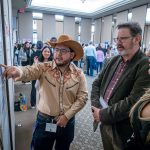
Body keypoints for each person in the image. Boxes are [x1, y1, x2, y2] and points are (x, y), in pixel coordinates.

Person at [0, 34, 88, 150]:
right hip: (44, 121)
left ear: (72, 55)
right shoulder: (43, 68)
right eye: (56, 50)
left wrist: (67, 116)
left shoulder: (79, 74)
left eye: (63, 50)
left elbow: (83, 97)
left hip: (67, 123)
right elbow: (29, 70)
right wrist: (18, 71)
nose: (58, 54)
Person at [91, 22, 150, 150]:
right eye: (117, 39)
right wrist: (96, 108)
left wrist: (103, 114)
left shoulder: (145, 65)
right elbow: (96, 83)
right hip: (103, 119)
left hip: (121, 128)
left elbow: (134, 101)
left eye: (122, 39)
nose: (118, 42)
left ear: (137, 39)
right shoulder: (114, 59)